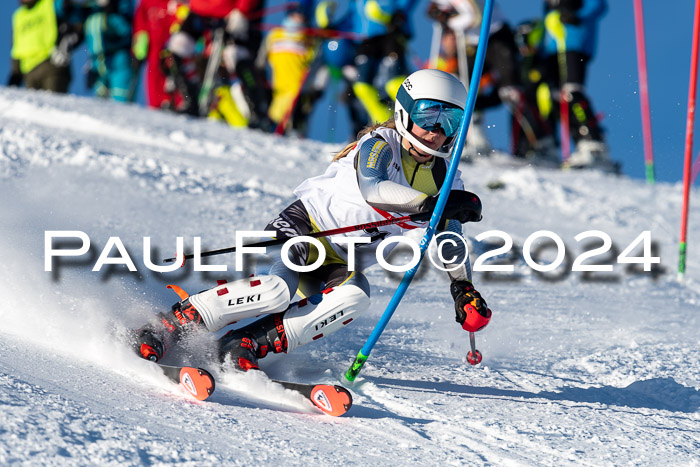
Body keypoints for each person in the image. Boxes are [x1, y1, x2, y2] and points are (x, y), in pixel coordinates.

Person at [129, 69, 492, 372]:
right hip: (308, 227)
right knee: (276, 291)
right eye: (429, 115)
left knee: (354, 296)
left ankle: (245, 344)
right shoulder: (381, 143)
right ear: (404, 113)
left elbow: (449, 238)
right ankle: (172, 323)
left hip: (341, 256)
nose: (437, 130)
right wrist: (434, 205)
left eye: (451, 120)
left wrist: (462, 288)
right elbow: (374, 189)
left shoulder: (446, 173)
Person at [427, 0, 521, 160]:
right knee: (463, 87)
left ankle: (533, 141)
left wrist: (449, 20)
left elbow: (473, 17)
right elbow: (437, 9)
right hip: (475, 42)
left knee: (510, 92)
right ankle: (472, 137)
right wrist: (438, 13)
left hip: (496, 37)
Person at [542, 0, 612, 169]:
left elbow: (598, 5)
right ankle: (580, 143)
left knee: (572, 92)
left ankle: (593, 143)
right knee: (557, 98)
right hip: (553, 48)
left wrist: (577, 16)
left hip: (573, 42)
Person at [132, 0, 188, 109]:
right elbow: (140, 22)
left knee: (175, 76)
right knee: (154, 77)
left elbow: (184, 17)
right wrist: (139, 45)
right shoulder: (147, 2)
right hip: (153, 49)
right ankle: (156, 105)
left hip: (172, 48)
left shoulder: (177, 3)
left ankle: (177, 104)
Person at [7, 0, 72, 93]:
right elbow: (17, 48)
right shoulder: (18, 16)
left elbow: (70, 12)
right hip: (29, 73)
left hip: (52, 66)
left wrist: (65, 44)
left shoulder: (50, 3)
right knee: (35, 106)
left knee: (52, 105)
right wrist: (15, 75)